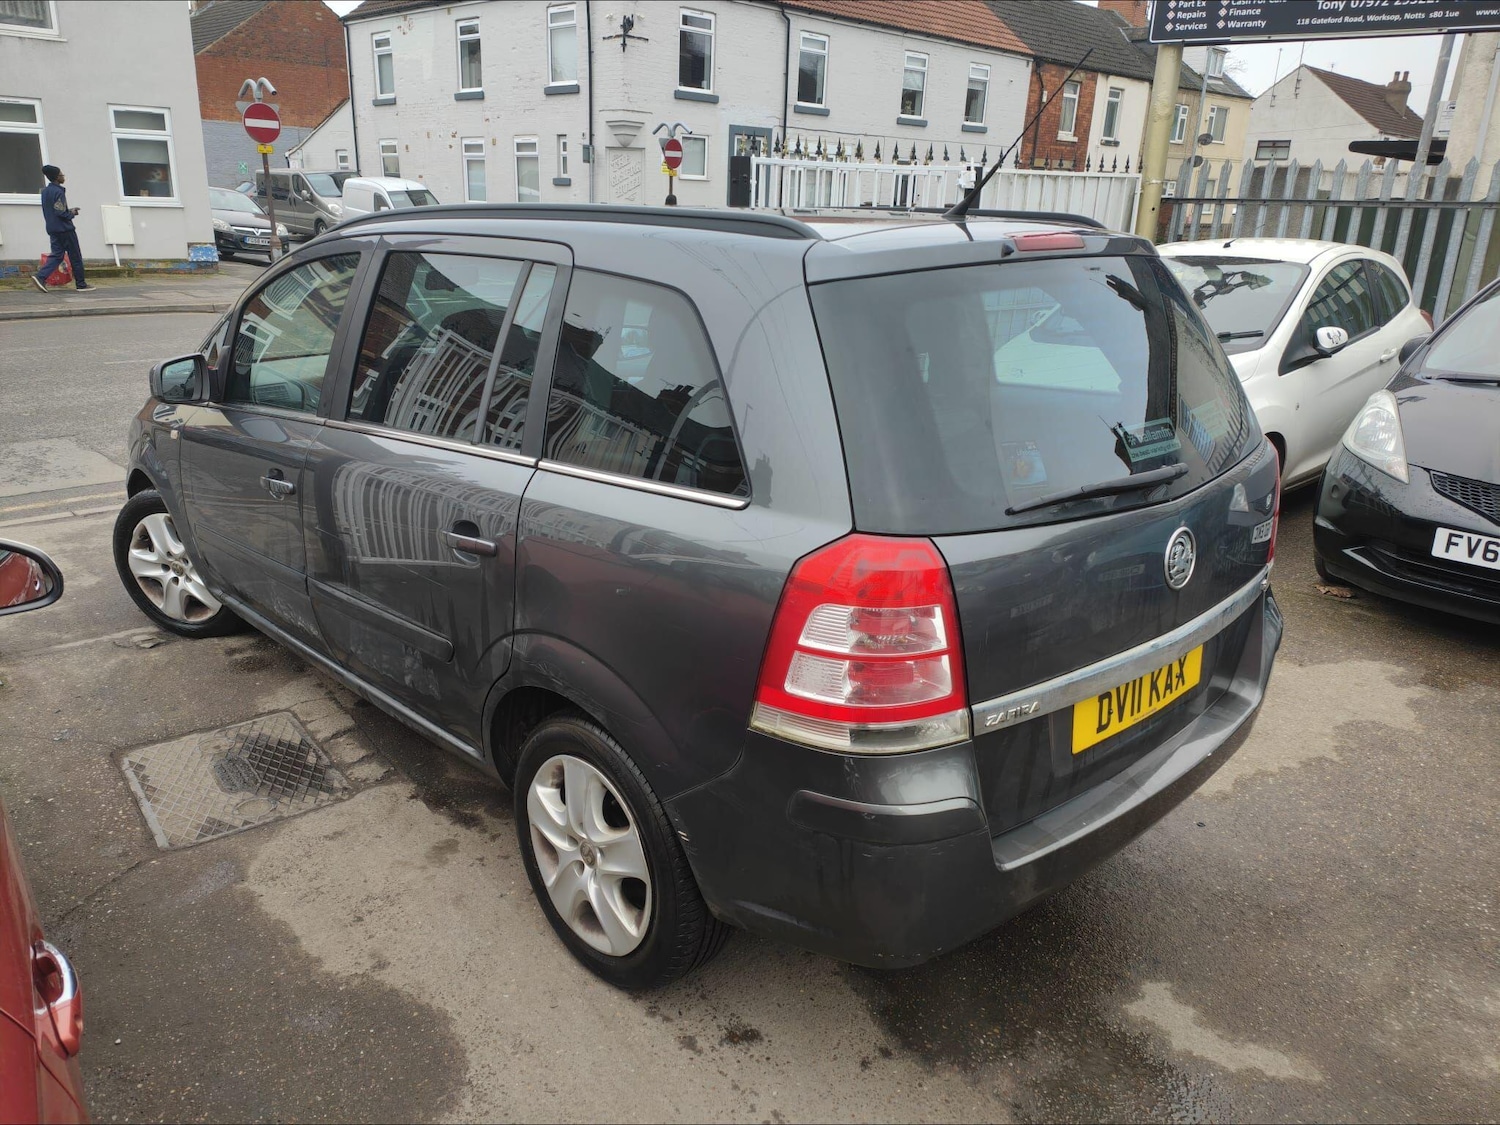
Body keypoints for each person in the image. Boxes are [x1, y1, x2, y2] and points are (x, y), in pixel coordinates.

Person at [32, 165, 94, 293]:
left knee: (57, 255)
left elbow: (54, 209)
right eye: (61, 174)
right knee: (75, 256)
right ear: (56, 177)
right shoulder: (58, 191)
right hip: (65, 229)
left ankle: (40, 277)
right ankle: (81, 284)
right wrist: (71, 214)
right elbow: (60, 211)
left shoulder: (45, 191)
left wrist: (67, 211)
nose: (63, 176)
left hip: (52, 228)